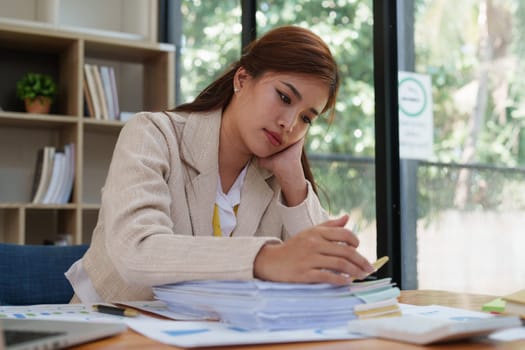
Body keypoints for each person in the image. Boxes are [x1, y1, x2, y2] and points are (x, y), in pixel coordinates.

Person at [66, 25, 375, 303]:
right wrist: (265, 259)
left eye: (306, 118)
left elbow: (324, 271)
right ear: (242, 79)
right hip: (111, 325)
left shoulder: (276, 177)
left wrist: (294, 181)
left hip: (209, 332)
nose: (289, 123)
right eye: (283, 97)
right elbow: (137, 251)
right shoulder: (152, 134)